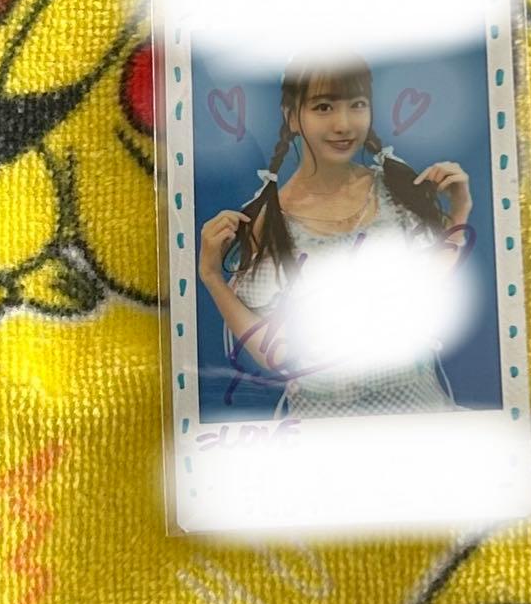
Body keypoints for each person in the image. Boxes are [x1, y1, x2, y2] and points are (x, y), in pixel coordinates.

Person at [197, 53, 474, 420]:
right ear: (291, 116)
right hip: (325, 435)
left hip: (421, 422)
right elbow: (276, 354)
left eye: (356, 105)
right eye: (323, 107)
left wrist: (459, 212)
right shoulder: (267, 220)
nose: (343, 124)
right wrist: (212, 277)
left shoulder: (396, 189)